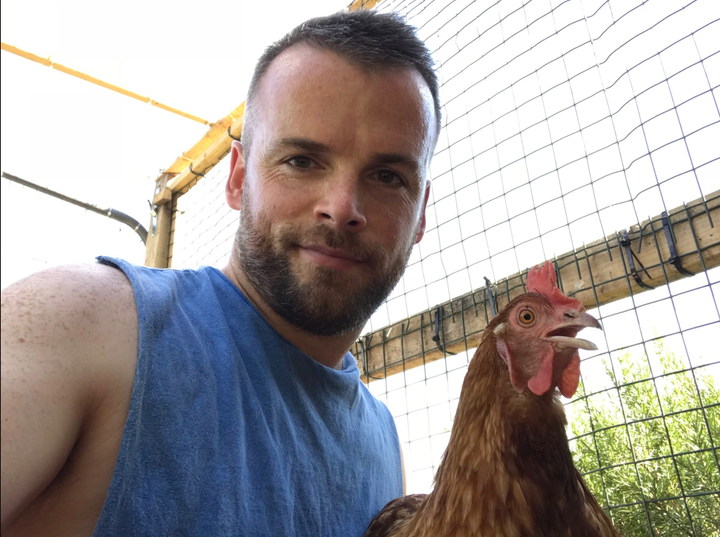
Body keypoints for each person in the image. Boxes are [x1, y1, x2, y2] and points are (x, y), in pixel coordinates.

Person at [1, 9, 441, 537]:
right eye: (302, 160)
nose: (342, 206)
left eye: (388, 176)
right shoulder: (84, 320)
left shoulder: (384, 444)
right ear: (237, 178)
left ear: (420, 214)